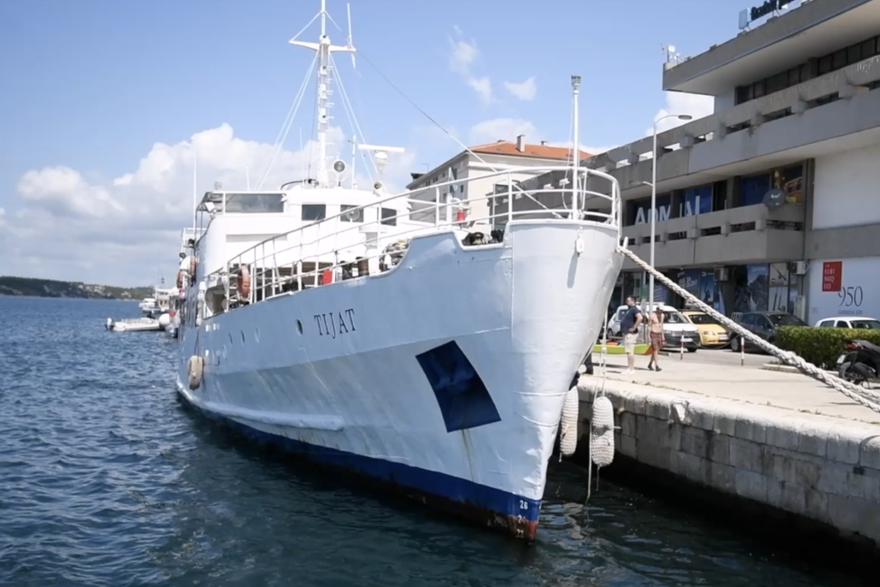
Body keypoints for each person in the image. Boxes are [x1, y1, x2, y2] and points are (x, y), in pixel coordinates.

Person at [620, 295, 643, 374]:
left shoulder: (634, 309)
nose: (626, 302)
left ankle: (631, 368)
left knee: (630, 351)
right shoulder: (629, 309)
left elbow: (640, 317)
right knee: (628, 351)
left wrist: (634, 327)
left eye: (628, 300)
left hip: (631, 334)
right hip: (627, 333)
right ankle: (629, 368)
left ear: (633, 301)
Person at [647, 307, 665, 372]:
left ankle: (650, 364)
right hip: (653, 334)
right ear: (657, 309)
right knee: (655, 350)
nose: (661, 311)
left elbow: (662, 326)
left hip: (659, 334)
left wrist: (663, 336)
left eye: (662, 310)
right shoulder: (652, 316)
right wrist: (648, 336)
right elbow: (649, 326)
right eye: (660, 310)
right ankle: (657, 366)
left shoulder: (662, 315)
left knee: (656, 351)